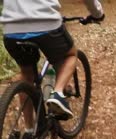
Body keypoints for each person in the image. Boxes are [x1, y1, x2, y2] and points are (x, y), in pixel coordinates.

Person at [0, 0, 105, 131]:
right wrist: (97, 13)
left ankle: (29, 130)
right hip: (46, 23)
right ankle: (58, 93)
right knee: (70, 55)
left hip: (11, 30)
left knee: (26, 75)